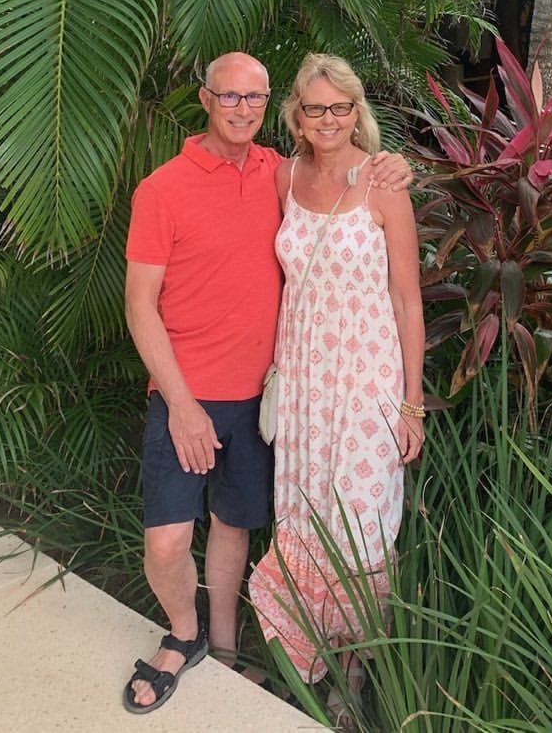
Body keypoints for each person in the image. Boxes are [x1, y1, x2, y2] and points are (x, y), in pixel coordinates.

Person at [121, 51, 411, 714]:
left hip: (266, 396)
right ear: (206, 99)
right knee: (167, 540)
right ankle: (184, 634)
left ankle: (224, 649)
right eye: (229, 96)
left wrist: (398, 164)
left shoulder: (275, 173)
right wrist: (181, 405)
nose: (242, 108)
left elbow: (353, 181)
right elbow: (139, 306)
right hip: (187, 395)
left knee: (235, 525)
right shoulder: (164, 188)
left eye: (254, 97)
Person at [248, 53, 425, 716]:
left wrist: (412, 404)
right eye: (315, 108)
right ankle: (306, 657)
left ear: (357, 112)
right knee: (304, 515)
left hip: (366, 386)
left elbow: (407, 300)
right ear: (296, 115)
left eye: (341, 107)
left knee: (360, 525)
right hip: (302, 385)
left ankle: (353, 676)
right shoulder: (284, 177)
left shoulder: (384, 185)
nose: (328, 119)